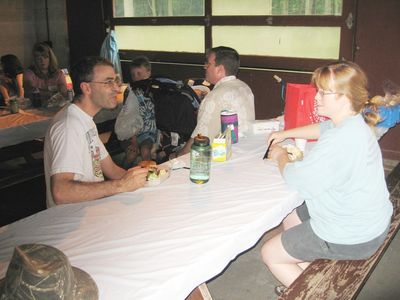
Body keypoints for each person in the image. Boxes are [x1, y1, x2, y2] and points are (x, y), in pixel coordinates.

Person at [261, 61, 393, 295]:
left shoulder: (339, 142)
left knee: (270, 254)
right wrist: (285, 134)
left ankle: (314, 291)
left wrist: (281, 155)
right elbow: (322, 129)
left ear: (344, 97)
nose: (316, 97)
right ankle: (307, 275)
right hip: (368, 219)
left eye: (324, 92)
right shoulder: (352, 122)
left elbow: (296, 179)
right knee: (291, 215)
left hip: (353, 234)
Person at [43, 56, 148, 208]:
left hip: (92, 210)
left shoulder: (85, 119)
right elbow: (61, 192)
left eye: (116, 81)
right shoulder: (69, 125)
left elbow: (112, 170)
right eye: (108, 82)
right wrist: (121, 186)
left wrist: (148, 179)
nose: (117, 88)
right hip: (71, 220)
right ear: (86, 88)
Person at [175, 46, 255, 156]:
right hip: (247, 149)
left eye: (208, 64)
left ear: (220, 70)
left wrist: (177, 156)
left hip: (222, 157)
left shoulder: (215, 95)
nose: (204, 67)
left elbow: (200, 138)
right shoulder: (244, 87)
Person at [114, 56, 157, 167]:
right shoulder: (131, 93)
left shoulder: (155, 90)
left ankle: (148, 175)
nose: (136, 78)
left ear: (149, 72)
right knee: (131, 154)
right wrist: (133, 140)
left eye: (139, 74)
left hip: (148, 133)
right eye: (133, 75)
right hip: (130, 133)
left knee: (145, 151)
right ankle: (122, 177)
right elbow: (129, 117)